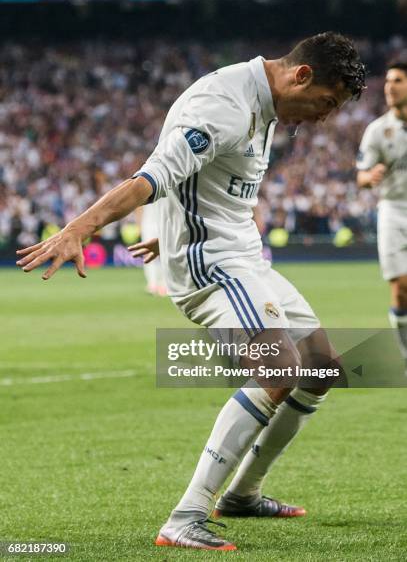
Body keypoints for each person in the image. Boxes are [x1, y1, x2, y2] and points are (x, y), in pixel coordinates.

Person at [16, 32, 366, 551]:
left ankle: (243, 494)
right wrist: (79, 229)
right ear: (302, 75)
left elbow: (209, 180)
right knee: (278, 370)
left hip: (241, 254)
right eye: (326, 103)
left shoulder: (266, 105)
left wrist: (176, 226)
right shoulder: (222, 105)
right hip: (213, 264)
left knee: (322, 368)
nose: (323, 117)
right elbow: (150, 177)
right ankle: (185, 517)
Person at [357, 62, 407, 370]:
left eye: (398, 80)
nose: (390, 86)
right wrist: (370, 176)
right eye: (387, 80)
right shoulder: (377, 130)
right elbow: (360, 176)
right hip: (393, 210)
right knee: (401, 289)